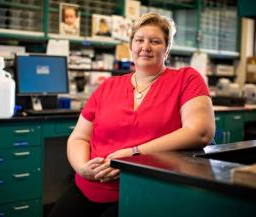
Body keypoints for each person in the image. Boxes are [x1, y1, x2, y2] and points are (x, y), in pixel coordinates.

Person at [48, 12, 215, 217]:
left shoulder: (186, 79)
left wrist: (134, 153)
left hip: (143, 189)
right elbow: (80, 136)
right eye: (139, 40)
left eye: (155, 41)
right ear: (131, 46)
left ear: (167, 48)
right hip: (88, 186)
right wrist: (82, 168)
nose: (146, 47)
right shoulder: (108, 86)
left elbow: (200, 132)